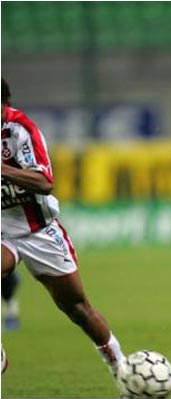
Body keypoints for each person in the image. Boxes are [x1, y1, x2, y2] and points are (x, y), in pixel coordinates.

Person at [1, 77, 125, 383]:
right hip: (2, 231)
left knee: (78, 309)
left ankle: (122, 371)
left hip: (38, 231)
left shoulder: (20, 130)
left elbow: (44, 182)